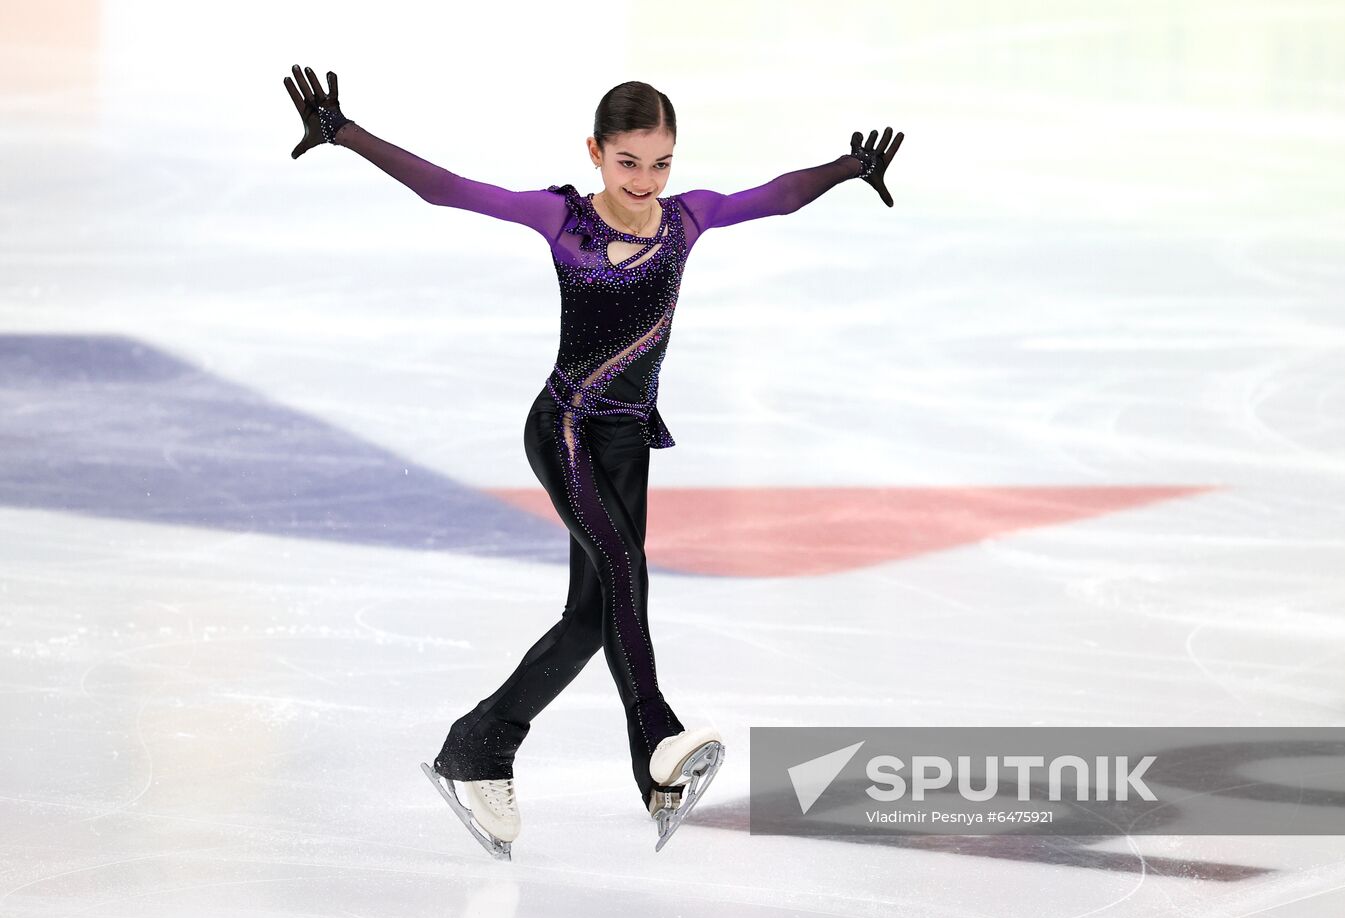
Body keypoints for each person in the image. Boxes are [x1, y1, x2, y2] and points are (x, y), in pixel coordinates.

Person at [282, 64, 902, 857]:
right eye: (629, 162)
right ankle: (657, 743)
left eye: (661, 163)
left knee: (589, 617)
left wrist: (848, 169)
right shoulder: (562, 220)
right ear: (597, 153)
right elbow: (446, 188)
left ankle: (479, 744)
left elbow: (774, 195)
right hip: (566, 430)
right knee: (624, 575)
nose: (646, 182)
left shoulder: (687, 222)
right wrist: (347, 133)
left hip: (627, 440)